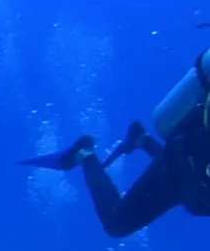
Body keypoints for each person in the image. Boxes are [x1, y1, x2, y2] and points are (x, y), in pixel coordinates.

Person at [18, 45, 210, 238]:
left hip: (195, 170)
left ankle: (141, 139)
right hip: (190, 160)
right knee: (117, 222)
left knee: (186, 183)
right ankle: (84, 154)